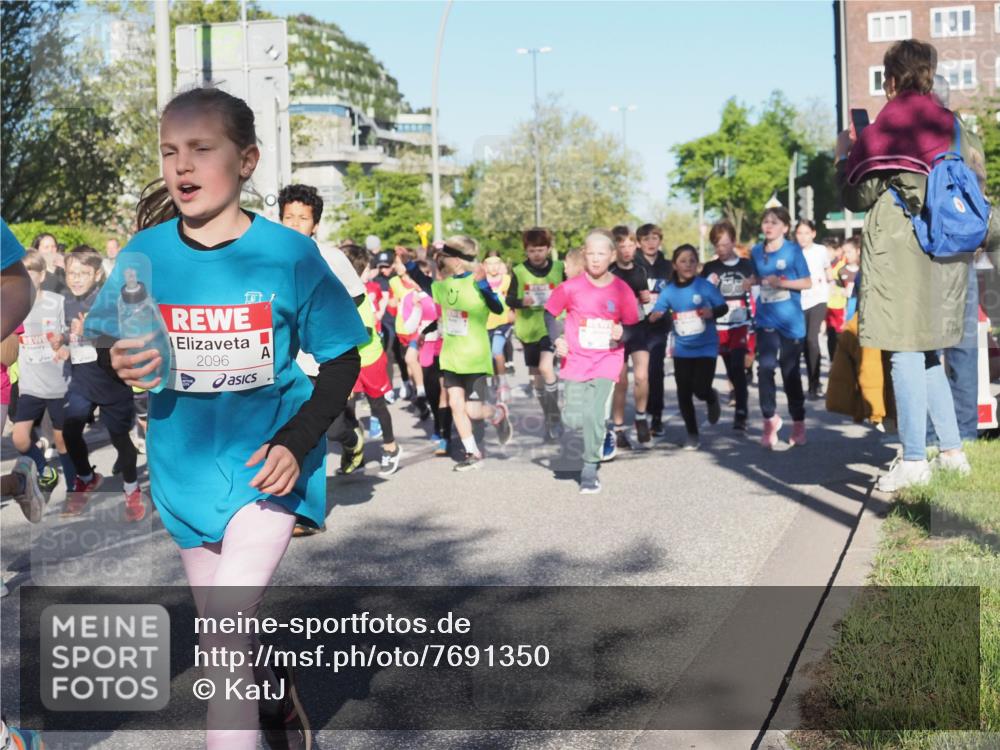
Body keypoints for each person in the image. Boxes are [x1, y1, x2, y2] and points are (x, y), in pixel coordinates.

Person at [97, 87, 367, 749]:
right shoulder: (147, 254)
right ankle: (273, 693)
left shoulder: (289, 255)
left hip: (265, 470)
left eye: (200, 149)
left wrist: (295, 440)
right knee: (231, 639)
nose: (180, 166)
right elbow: (111, 345)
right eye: (168, 152)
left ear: (246, 160)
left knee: (220, 636)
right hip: (181, 476)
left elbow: (341, 360)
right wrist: (122, 364)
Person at [837, 40, 985, 491]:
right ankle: (954, 452)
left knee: (902, 350)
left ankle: (915, 459)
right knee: (926, 351)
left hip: (902, 249)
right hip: (949, 247)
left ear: (892, 78)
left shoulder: (887, 126)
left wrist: (847, 154)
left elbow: (856, 195)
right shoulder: (955, 125)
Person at [278, 184, 373, 536]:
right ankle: (279, 503)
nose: (295, 224)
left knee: (316, 434)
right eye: (289, 218)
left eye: (303, 219)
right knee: (281, 431)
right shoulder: (268, 256)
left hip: (319, 363)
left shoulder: (330, 257)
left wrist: (329, 328)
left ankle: (307, 512)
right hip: (278, 362)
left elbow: (356, 299)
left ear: (315, 224)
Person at [52, 247, 147, 521]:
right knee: (70, 430)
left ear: (97, 274)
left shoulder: (109, 301)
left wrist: (91, 332)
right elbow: (72, 334)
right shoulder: (67, 301)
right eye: (71, 273)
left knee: (120, 439)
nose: (76, 279)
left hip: (111, 381)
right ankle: (86, 477)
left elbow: (121, 338)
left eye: (83, 273)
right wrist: (62, 341)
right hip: (82, 380)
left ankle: (131, 488)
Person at [544, 230, 637, 493]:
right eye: (591, 253)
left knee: (594, 413)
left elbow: (633, 324)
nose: (596, 259)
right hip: (575, 359)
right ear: (584, 255)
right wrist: (557, 340)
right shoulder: (570, 287)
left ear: (612, 256)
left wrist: (624, 333)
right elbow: (550, 314)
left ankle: (589, 468)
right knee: (574, 418)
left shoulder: (621, 289)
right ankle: (600, 431)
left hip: (607, 358)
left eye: (601, 254)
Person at [431, 235, 512, 471]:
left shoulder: (478, 282)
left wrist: (485, 285)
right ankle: (472, 452)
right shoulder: (444, 285)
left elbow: (497, 307)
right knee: (456, 404)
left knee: (471, 409)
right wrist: (410, 266)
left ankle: (497, 413)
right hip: (452, 357)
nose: (441, 260)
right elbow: (424, 285)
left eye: (445, 256)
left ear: (456, 261)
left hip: (475, 358)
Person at [650, 244, 728, 449]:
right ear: (675, 265)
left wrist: (712, 312)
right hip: (682, 348)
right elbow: (659, 308)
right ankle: (692, 434)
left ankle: (711, 397)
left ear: (697, 264)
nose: (688, 265)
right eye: (683, 261)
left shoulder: (704, 287)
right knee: (683, 392)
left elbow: (723, 306)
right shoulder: (669, 291)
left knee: (700, 389)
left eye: (692, 261)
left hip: (706, 347)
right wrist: (656, 315)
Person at [12, 252, 73, 501]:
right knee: (19, 437)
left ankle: (73, 487)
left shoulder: (56, 302)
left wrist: (66, 343)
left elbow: (71, 332)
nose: (27, 278)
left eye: (31, 273)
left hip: (58, 383)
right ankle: (46, 468)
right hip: (30, 385)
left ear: (42, 275)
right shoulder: (14, 308)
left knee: (61, 440)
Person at [749, 207, 812, 448]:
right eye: (765, 222)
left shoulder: (793, 251)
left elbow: (807, 282)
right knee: (764, 368)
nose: (769, 226)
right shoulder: (756, 251)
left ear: (785, 227)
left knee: (790, 373)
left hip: (791, 322)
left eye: (774, 222)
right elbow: (757, 278)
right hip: (766, 319)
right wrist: (751, 281)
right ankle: (769, 418)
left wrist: (783, 283)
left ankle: (798, 421)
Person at [507, 227, 565, 441]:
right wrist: (522, 301)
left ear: (548, 249)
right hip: (529, 329)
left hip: (552, 327)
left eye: (541, 249)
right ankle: (550, 415)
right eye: (532, 250)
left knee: (545, 367)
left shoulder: (559, 268)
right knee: (536, 379)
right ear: (526, 251)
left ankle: (555, 417)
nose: (537, 254)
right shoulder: (519, 271)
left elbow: (571, 291)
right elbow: (509, 299)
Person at [702, 220, 754, 430]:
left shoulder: (746, 265)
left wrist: (753, 284)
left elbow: (758, 289)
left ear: (733, 242)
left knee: (737, 365)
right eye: (716, 245)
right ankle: (725, 395)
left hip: (741, 323)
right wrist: (708, 287)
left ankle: (741, 412)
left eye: (724, 244)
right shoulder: (710, 267)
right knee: (726, 367)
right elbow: (700, 294)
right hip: (719, 325)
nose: (720, 249)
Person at [609, 226, 651, 448]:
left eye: (629, 245)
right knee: (622, 381)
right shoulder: (611, 273)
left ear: (635, 246)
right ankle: (618, 428)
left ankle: (641, 417)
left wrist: (645, 299)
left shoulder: (641, 271)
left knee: (642, 376)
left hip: (638, 327)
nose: (626, 250)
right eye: (621, 245)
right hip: (617, 331)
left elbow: (645, 298)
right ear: (615, 248)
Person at [634, 223, 672, 436]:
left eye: (655, 238)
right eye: (646, 239)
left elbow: (676, 290)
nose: (651, 243)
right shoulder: (633, 266)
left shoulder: (667, 267)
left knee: (655, 369)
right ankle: (641, 413)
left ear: (660, 241)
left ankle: (655, 415)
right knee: (641, 374)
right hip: (638, 325)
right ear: (639, 243)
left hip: (660, 325)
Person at [795, 220, 830, 399]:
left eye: (806, 233)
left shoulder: (821, 250)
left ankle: (814, 382)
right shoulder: (792, 252)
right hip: (798, 301)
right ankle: (799, 383)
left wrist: (830, 283)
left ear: (813, 234)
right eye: (799, 233)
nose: (803, 237)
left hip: (818, 299)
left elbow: (827, 270)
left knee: (811, 340)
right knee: (800, 342)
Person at [483, 251, 514, 402]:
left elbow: (515, 298)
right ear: (484, 266)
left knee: (497, 350)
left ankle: (502, 382)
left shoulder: (507, 280)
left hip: (503, 323)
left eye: (497, 263)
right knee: (488, 355)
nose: (494, 266)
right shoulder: (481, 282)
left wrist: (514, 313)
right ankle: (493, 380)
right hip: (485, 324)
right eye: (490, 263)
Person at [824, 237, 848, 361]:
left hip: (840, 305)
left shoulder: (841, 266)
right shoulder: (822, 265)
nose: (827, 253)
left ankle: (840, 361)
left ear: (835, 251)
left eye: (829, 250)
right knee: (830, 336)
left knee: (840, 336)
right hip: (828, 305)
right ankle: (832, 361)